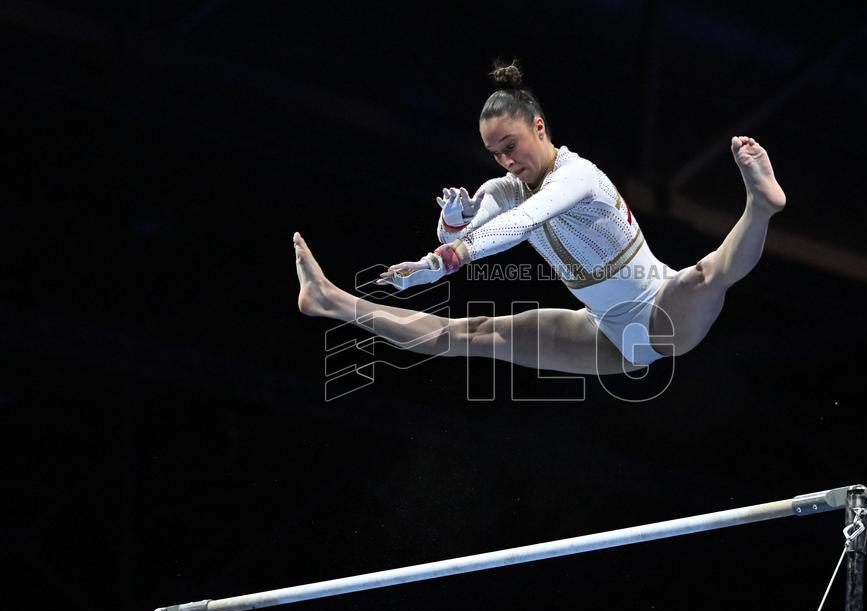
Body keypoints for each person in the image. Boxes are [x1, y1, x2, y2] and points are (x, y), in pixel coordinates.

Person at [293, 59, 786, 376]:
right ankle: (332, 301)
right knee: (469, 334)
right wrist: (447, 232)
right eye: (494, 153)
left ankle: (760, 206)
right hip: (605, 334)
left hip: (660, 309)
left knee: (706, 274)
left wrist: (445, 258)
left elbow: (523, 223)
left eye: (512, 145)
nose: (506, 160)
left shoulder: (579, 177)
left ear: (539, 126)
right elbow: (473, 232)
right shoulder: (504, 189)